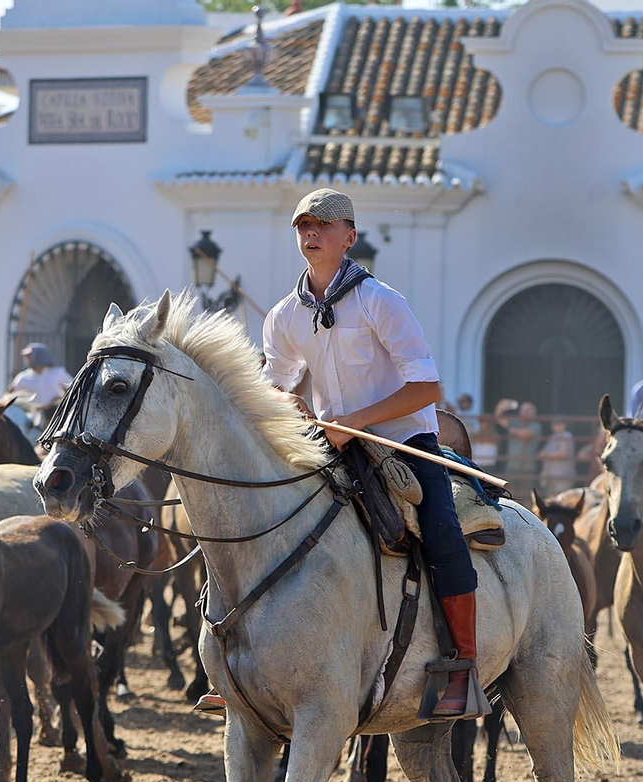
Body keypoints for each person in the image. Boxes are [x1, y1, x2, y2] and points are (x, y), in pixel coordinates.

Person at [195, 187, 483, 722]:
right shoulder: (283, 316)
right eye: (303, 225)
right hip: (329, 442)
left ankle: (463, 664)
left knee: (442, 528)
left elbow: (426, 388)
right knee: (258, 520)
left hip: (404, 441)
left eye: (323, 225)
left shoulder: (382, 301)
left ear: (349, 237)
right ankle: (238, 663)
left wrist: (355, 422)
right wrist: (292, 405)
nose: (311, 233)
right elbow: (273, 387)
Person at [9, 342, 74, 411]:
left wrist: (62, 399)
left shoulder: (58, 373)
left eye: (29, 356)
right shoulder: (22, 377)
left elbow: (73, 388)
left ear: (39, 356)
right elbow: (10, 395)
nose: (26, 359)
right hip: (33, 416)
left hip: (55, 413)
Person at [539, 419, 578, 494]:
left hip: (562, 474)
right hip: (551, 473)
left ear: (564, 425)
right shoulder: (552, 436)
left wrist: (547, 455)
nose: (556, 426)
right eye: (554, 424)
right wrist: (543, 454)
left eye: (558, 424)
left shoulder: (567, 436)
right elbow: (544, 451)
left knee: (561, 496)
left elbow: (564, 454)